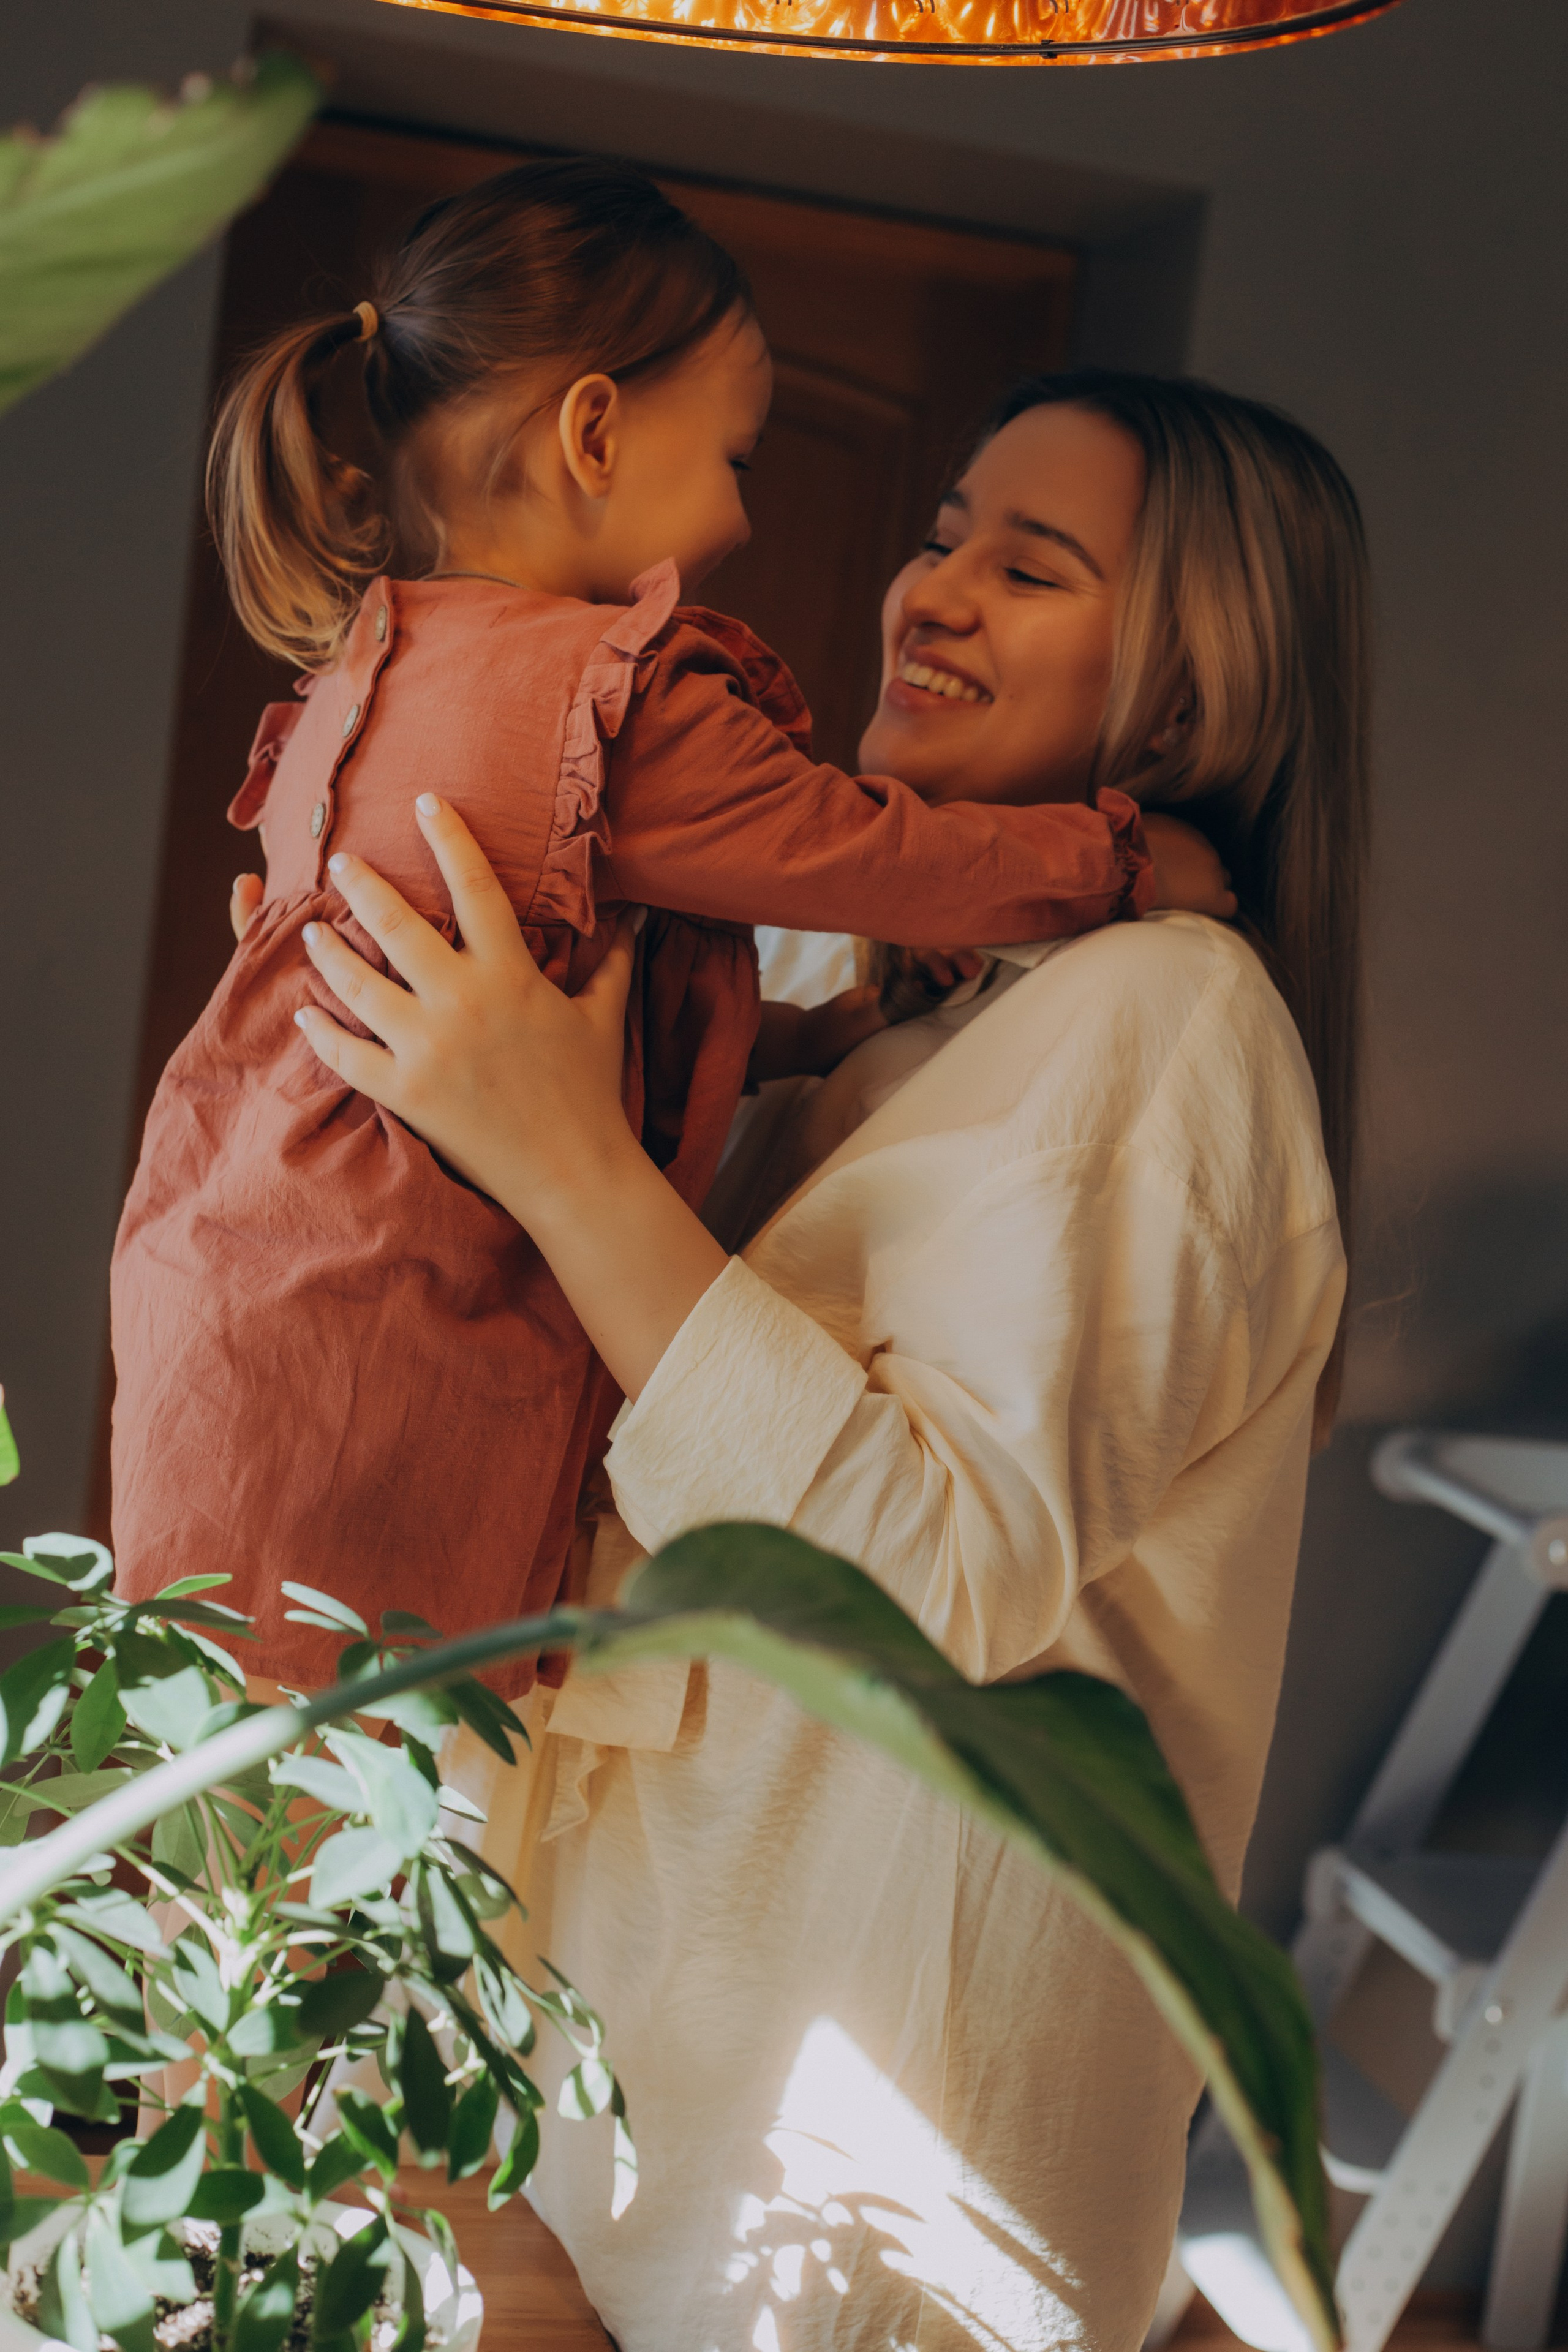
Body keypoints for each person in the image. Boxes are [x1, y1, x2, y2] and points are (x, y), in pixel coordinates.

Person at [273, 368, 1366, 2350]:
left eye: (1027, 567)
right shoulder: (859, 1006)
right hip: (652, 2068)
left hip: (868, 2150)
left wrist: (562, 1152)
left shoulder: (1171, 1024)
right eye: (942, 534)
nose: (927, 592)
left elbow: (925, 1581)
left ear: (1194, 699)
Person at [108, 159, 1227, 1689]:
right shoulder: (609, 702)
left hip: (241, 1248)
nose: (741, 518)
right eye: (738, 460)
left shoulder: (374, 664)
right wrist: (1113, 860)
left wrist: (807, 1038)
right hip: (385, 1294)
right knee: (364, 1720)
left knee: (239, 1732)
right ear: (593, 432)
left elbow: (573, 994)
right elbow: (866, 854)